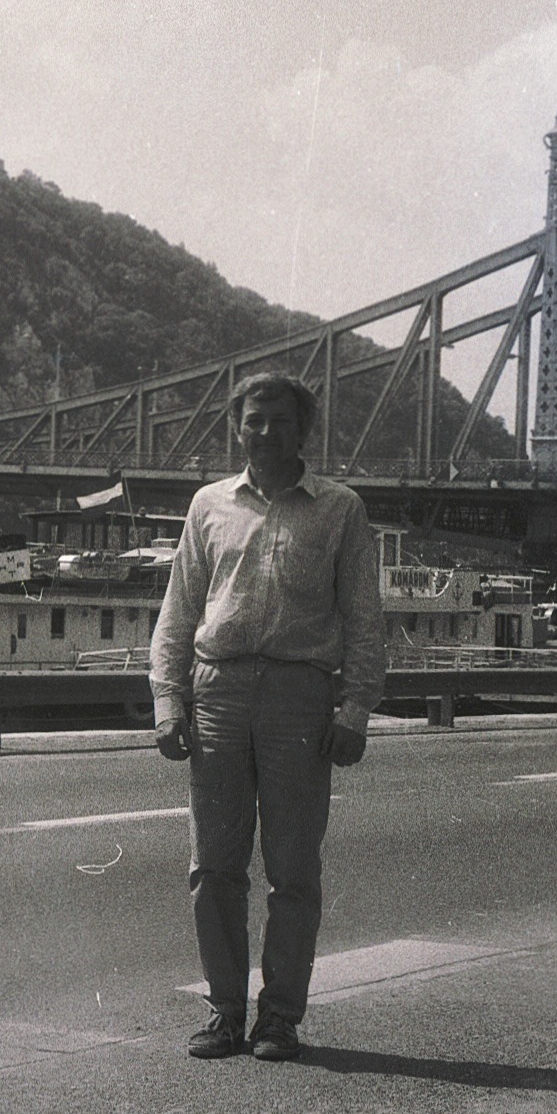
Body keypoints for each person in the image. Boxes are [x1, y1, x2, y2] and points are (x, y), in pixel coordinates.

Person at [150, 371, 386, 1062]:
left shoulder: (339, 508)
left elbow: (364, 619)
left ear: (302, 430)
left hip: (299, 698)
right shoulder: (208, 505)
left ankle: (278, 1017)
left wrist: (356, 708)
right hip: (217, 690)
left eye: (280, 422)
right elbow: (178, 612)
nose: (266, 433)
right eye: (254, 420)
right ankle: (224, 1014)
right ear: (237, 426)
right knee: (213, 867)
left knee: (292, 869)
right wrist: (169, 701)